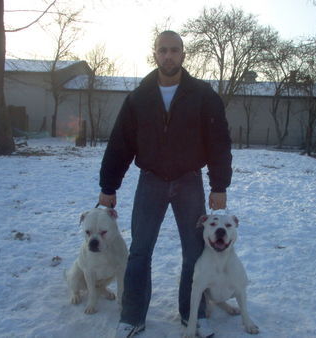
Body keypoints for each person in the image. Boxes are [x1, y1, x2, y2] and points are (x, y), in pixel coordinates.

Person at [98, 30, 232, 338]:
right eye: (163, 50)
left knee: (194, 252)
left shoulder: (202, 95)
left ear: (184, 55)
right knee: (140, 252)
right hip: (151, 181)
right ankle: (132, 318)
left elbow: (218, 142)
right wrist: (109, 185)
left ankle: (193, 317)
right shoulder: (139, 97)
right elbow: (120, 144)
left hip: (189, 181)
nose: (168, 55)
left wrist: (219, 184)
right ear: (155, 54)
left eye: (174, 50)